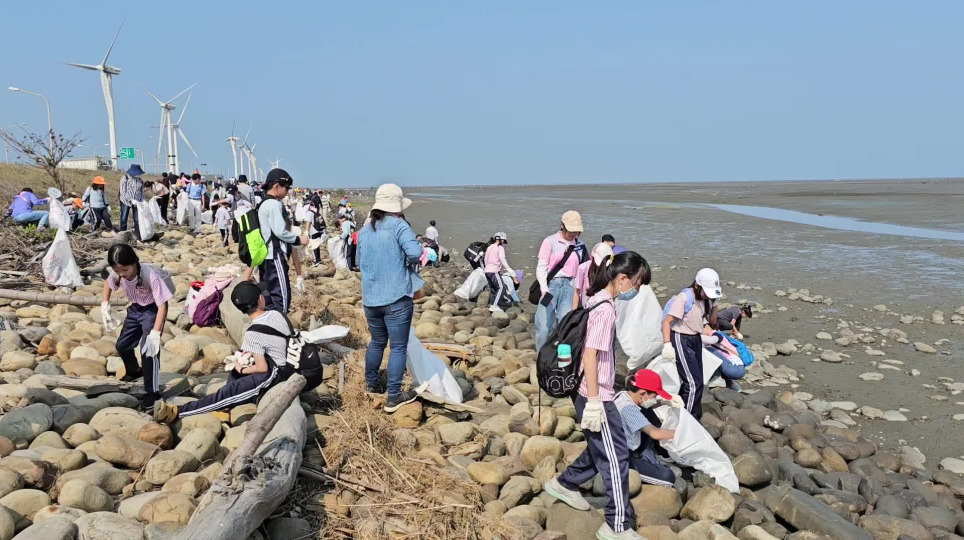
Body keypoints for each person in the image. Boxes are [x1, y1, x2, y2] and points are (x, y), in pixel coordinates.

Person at [543, 251, 651, 540]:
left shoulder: (596, 299)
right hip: (596, 394)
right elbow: (590, 355)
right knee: (617, 457)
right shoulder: (605, 310)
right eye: (638, 283)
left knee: (599, 448)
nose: (638, 290)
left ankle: (565, 484)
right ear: (623, 279)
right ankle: (617, 525)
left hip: (589, 390)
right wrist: (594, 402)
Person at [153, 281, 292, 423]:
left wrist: (243, 369)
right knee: (236, 373)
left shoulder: (253, 333)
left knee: (229, 391)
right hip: (289, 363)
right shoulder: (277, 314)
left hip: (277, 375)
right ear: (261, 299)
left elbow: (262, 368)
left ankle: (178, 412)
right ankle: (225, 405)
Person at [357, 183, 423, 412]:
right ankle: (394, 395)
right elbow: (415, 252)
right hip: (396, 297)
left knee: (377, 342)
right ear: (396, 207)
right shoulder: (399, 225)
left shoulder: (365, 230)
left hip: (371, 299)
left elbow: (359, 262)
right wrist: (405, 259)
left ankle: (371, 385)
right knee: (398, 347)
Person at [100, 244, 174, 409]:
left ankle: (152, 392)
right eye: (117, 270)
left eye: (125, 270)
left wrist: (155, 333)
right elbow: (108, 283)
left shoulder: (150, 276)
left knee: (149, 350)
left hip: (152, 310)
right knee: (122, 345)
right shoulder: (118, 273)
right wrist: (105, 304)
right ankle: (133, 370)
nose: (121, 274)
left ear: (134, 263)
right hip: (135, 309)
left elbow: (162, 306)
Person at [660, 268, 722, 420]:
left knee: (699, 380)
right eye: (706, 292)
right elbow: (667, 322)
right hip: (681, 338)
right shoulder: (685, 297)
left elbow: (712, 321)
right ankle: (686, 421)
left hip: (695, 339)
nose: (707, 295)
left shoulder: (706, 300)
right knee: (693, 383)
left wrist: (714, 304)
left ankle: (692, 414)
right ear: (697, 286)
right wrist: (667, 345)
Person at [615, 369, 679, 488]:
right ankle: (643, 463)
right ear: (642, 393)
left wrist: (663, 402)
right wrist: (681, 433)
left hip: (632, 443)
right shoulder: (628, 408)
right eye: (654, 396)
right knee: (668, 477)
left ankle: (660, 454)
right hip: (622, 455)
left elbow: (647, 403)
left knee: (647, 410)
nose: (654, 399)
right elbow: (655, 433)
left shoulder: (625, 395)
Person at [534, 210, 588, 350]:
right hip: (551, 286)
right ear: (562, 225)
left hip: (570, 287)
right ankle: (541, 355)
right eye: (570, 230)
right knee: (544, 326)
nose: (572, 234)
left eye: (576, 231)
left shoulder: (580, 245)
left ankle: (560, 357)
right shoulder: (549, 241)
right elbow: (541, 267)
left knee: (565, 325)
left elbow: (584, 269)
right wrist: (544, 289)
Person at [257, 169, 306, 313]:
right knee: (282, 296)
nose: (287, 192)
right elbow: (280, 232)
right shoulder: (274, 204)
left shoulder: (263, 203)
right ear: (277, 186)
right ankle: (281, 322)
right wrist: (298, 239)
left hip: (264, 255)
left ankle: (269, 321)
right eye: (287, 188)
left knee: (268, 294)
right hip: (274, 255)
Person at [572, 242, 615, 311]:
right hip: (587, 308)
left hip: (605, 306)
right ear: (591, 257)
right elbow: (577, 291)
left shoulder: (610, 268)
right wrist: (573, 312)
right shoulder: (583, 268)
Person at [483, 232, 516, 313]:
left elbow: (485, 259)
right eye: (503, 240)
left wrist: (487, 268)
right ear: (499, 239)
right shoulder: (500, 247)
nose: (503, 242)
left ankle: (492, 304)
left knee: (493, 289)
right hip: (494, 271)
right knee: (502, 287)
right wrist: (508, 268)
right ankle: (494, 306)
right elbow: (502, 258)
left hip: (487, 271)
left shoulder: (489, 247)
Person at [119, 164, 145, 233]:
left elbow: (141, 192)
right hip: (125, 201)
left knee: (137, 219)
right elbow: (123, 192)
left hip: (137, 202)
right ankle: (122, 233)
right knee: (124, 218)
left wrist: (142, 200)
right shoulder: (125, 178)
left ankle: (138, 233)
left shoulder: (140, 180)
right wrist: (131, 199)